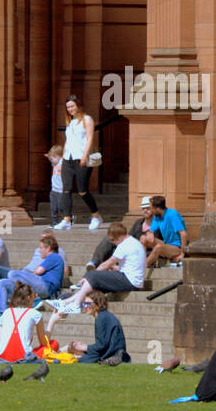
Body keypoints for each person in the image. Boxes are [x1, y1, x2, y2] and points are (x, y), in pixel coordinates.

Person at [44, 222, 143, 336]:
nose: (112, 243)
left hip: (130, 281)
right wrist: (112, 270)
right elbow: (130, 265)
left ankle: (75, 304)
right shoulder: (133, 242)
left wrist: (90, 276)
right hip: (131, 279)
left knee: (93, 276)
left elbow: (107, 263)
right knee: (91, 284)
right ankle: (66, 302)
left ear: (119, 237)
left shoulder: (124, 245)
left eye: (113, 240)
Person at [0, 232, 66, 321]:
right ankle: (2, 312)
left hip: (46, 286)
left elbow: (38, 271)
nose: (39, 250)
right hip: (42, 287)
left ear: (48, 248)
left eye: (41, 248)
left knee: (12, 274)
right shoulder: (53, 257)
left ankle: (34, 299)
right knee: (3, 282)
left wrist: (27, 277)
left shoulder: (54, 256)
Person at [55, 95, 102, 231]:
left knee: (82, 190)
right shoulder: (70, 122)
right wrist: (62, 157)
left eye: (72, 106)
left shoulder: (87, 119)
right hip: (68, 159)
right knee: (66, 189)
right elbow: (68, 142)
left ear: (78, 105)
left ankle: (96, 215)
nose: (70, 109)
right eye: (68, 107)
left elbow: (89, 139)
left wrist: (84, 156)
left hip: (81, 158)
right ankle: (67, 219)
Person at [83, 196, 153, 277]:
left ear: (153, 209)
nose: (145, 210)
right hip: (126, 249)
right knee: (109, 239)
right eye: (143, 208)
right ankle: (94, 262)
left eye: (147, 208)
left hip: (138, 254)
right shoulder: (139, 222)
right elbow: (129, 238)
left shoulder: (158, 225)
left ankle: (97, 273)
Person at [0, 283, 51, 363]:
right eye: (34, 296)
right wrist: (53, 320)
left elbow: (0, 346)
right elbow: (44, 343)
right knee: (52, 344)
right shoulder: (34, 313)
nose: (34, 299)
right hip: (24, 357)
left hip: (4, 357)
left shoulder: (6, 312)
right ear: (29, 298)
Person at [67, 294, 130, 365]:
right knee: (74, 352)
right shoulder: (104, 316)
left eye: (88, 303)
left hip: (112, 354)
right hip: (113, 352)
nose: (85, 306)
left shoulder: (101, 318)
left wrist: (84, 347)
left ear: (98, 304)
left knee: (77, 359)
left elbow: (101, 346)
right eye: (84, 303)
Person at [145, 195, 187, 269]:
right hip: (166, 244)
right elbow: (151, 230)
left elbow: (183, 234)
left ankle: (142, 267)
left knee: (159, 247)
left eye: (152, 208)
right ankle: (140, 261)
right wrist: (150, 233)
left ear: (157, 208)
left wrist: (182, 254)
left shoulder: (172, 214)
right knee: (143, 238)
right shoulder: (157, 216)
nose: (151, 211)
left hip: (176, 248)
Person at [45, 145, 67, 228]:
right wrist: (50, 157)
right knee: (53, 207)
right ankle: (55, 222)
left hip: (61, 190)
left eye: (52, 159)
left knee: (61, 206)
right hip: (54, 189)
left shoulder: (62, 163)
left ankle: (68, 217)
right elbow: (52, 157)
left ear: (58, 157)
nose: (51, 161)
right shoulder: (55, 163)